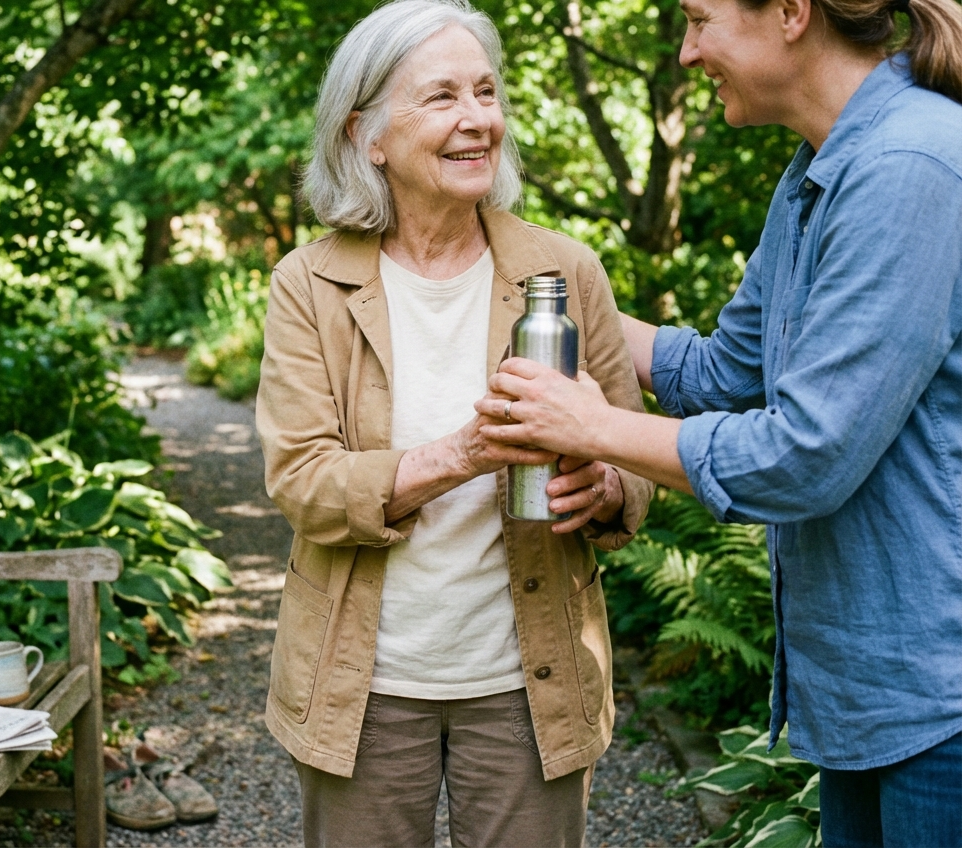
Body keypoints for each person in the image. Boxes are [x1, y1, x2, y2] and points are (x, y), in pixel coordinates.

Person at [474, 0, 962, 842]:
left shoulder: (911, 165)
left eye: (699, 20)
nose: (689, 53)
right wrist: (536, 283)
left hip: (941, 704)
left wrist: (588, 428)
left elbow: (805, 455)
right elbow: (722, 374)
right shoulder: (817, 171)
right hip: (868, 702)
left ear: (789, 13)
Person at [255, 1, 654, 844]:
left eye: (485, 92)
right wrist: (465, 454)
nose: (478, 119)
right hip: (361, 683)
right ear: (369, 135)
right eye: (441, 97)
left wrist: (608, 484)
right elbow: (303, 481)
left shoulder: (564, 268)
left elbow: (634, 451)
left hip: (526, 679)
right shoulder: (308, 284)